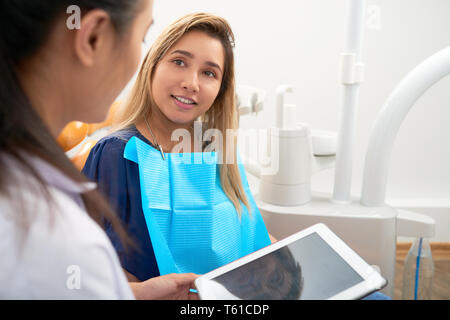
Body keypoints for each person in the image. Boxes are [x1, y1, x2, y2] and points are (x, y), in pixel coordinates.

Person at [0, 0, 198, 299]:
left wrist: (133, 294)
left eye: (210, 73)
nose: (191, 84)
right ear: (93, 37)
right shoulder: (62, 243)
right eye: (142, 36)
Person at [83, 13, 276, 283]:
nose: (191, 83)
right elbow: (96, 269)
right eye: (179, 62)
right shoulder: (117, 154)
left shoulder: (216, 149)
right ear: (153, 66)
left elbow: (252, 236)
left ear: (221, 89)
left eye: (209, 73)